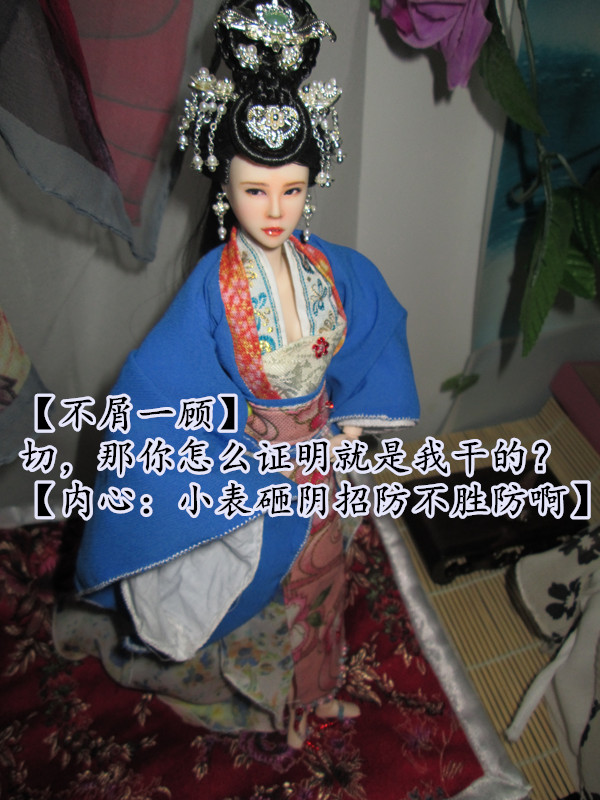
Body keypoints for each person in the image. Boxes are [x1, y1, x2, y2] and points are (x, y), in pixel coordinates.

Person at [54, 0, 419, 748]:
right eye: (256, 190)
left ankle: (314, 693)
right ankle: (270, 695)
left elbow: (375, 325)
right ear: (225, 186)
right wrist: (229, 450)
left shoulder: (330, 270)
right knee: (246, 590)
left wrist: (350, 427)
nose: (275, 208)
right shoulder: (214, 290)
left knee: (325, 579)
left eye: (292, 189)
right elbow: (157, 388)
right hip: (256, 471)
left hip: (323, 462)